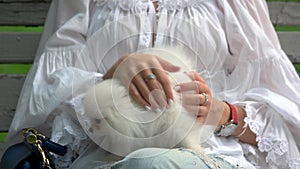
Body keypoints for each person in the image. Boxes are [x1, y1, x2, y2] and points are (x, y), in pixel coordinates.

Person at [6, 0, 300, 168]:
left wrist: (220, 114)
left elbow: (282, 115)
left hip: (210, 155)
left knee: (148, 165)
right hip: (105, 158)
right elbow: (47, 105)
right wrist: (113, 74)